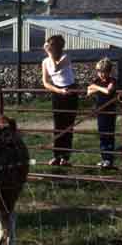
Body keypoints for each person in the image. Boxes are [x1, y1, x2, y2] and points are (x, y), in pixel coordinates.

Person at [41, 34, 78, 166]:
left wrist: (49, 53)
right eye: (48, 45)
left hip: (70, 91)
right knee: (58, 125)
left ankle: (65, 157)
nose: (48, 47)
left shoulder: (65, 57)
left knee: (68, 125)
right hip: (58, 92)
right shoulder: (45, 62)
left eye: (51, 45)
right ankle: (57, 155)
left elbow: (56, 67)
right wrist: (58, 91)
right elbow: (45, 82)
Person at [87, 57, 117, 168]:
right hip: (100, 111)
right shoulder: (97, 81)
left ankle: (109, 159)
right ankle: (104, 158)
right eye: (99, 71)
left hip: (110, 112)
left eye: (104, 71)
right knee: (102, 135)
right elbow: (88, 92)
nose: (101, 74)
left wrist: (96, 87)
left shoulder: (112, 81)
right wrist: (96, 87)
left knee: (109, 135)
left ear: (109, 71)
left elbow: (108, 91)